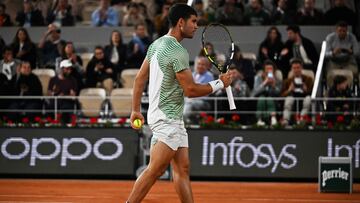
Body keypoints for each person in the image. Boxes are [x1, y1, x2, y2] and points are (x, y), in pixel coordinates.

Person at [126, 4, 231, 203]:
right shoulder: (177, 51)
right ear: (181, 22)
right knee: (154, 171)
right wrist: (220, 83)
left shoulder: (156, 44)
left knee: (182, 169)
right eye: (194, 21)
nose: (196, 26)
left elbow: (139, 79)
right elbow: (190, 90)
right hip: (167, 119)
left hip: (170, 117)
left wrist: (135, 111)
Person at [281, 58, 313, 125]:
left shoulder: (309, 79)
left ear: (301, 68)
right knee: (289, 99)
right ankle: (286, 120)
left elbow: (313, 94)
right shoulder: (287, 81)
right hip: (292, 97)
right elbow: (282, 95)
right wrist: (289, 90)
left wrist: (306, 90)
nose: (296, 70)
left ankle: (302, 119)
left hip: (304, 97)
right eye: (294, 68)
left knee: (308, 99)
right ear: (291, 69)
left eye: (298, 68)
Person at [184, 57, 214, 124]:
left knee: (189, 104)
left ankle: (185, 122)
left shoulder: (209, 76)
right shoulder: (191, 74)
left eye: (203, 64)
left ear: (207, 66)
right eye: (199, 64)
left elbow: (204, 91)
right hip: (189, 99)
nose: (200, 66)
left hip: (203, 101)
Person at [251, 60, 282, 126]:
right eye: (267, 69)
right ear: (264, 70)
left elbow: (279, 93)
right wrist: (264, 83)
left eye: (270, 69)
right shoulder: (258, 78)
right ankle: (259, 119)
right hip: (260, 97)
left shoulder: (278, 80)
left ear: (274, 70)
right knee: (261, 98)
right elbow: (254, 92)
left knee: (269, 99)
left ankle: (273, 118)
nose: (269, 71)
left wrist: (274, 86)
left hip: (273, 99)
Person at [47, 59, 78, 123]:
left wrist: (64, 96)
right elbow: (49, 92)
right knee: (49, 109)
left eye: (70, 69)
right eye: (67, 69)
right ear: (62, 69)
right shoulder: (53, 79)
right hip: (55, 101)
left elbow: (73, 95)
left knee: (66, 110)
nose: (69, 71)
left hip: (67, 102)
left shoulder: (73, 80)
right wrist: (55, 95)